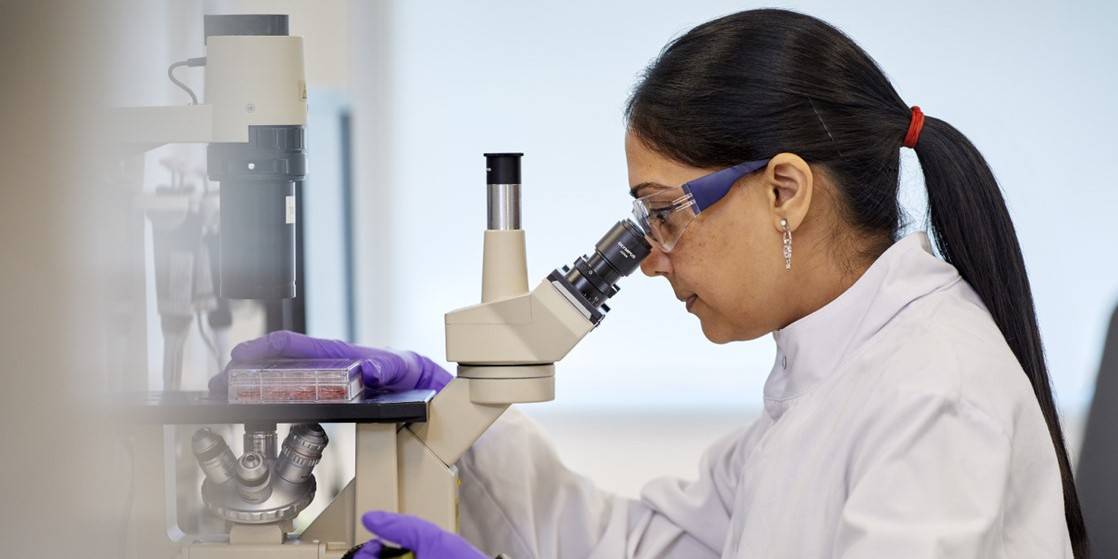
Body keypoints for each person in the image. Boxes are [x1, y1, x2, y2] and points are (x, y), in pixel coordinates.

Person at [225, 8, 1087, 558]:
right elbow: (640, 546)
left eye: (664, 214)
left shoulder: (930, 393)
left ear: (784, 189)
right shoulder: (829, 372)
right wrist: (457, 416)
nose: (648, 257)